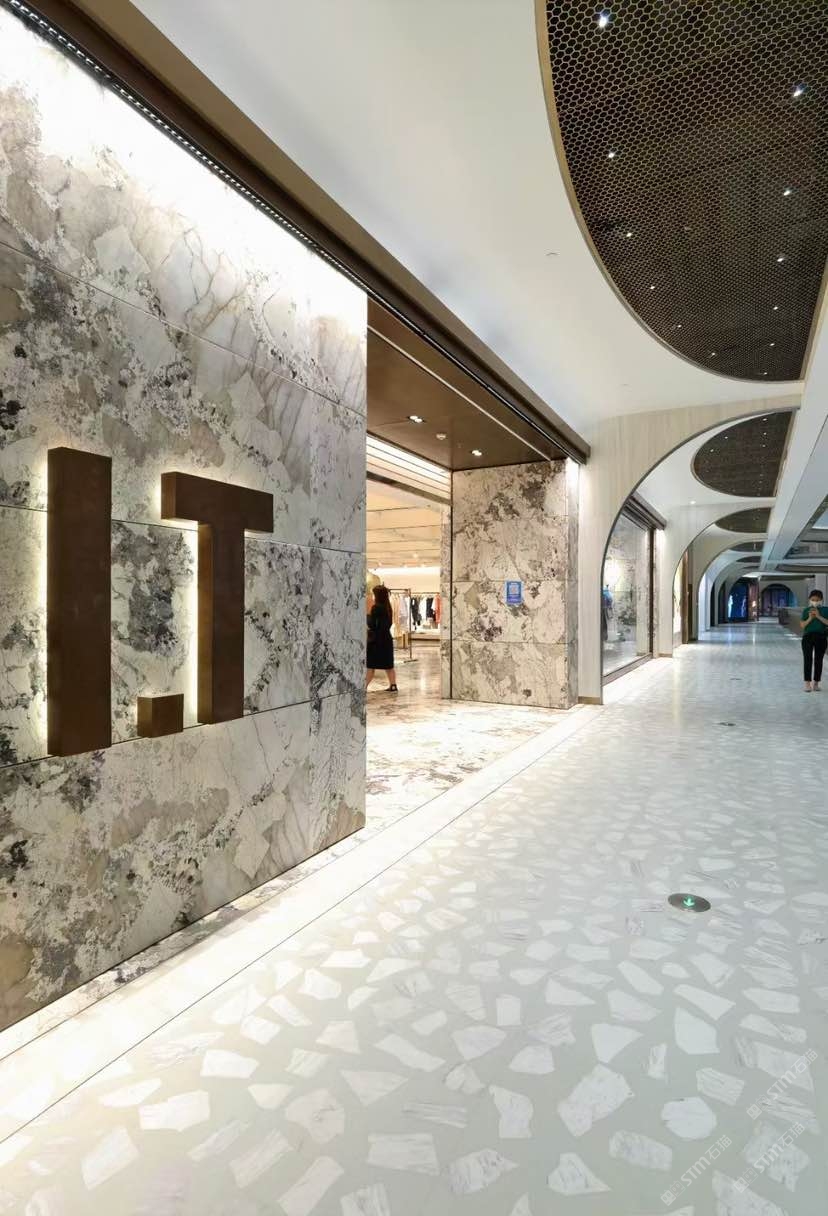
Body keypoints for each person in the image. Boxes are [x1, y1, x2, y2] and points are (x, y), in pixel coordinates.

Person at [366, 584, 397, 692]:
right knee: (388, 664)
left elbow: (372, 625)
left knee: (370, 665)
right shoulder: (388, 607)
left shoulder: (376, 608)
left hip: (376, 640)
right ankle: (393, 685)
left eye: (374, 594)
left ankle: (363, 687)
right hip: (386, 638)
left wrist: (368, 614)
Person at [799, 589, 828, 691]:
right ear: (810, 599)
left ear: (821, 600)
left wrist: (818, 616)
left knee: (818, 660)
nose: (815, 601)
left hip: (821, 637)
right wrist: (810, 618)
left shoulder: (826, 610)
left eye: (817, 600)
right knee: (807, 659)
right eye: (813, 599)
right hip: (807, 637)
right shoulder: (806, 610)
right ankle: (807, 684)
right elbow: (802, 625)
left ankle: (816, 683)